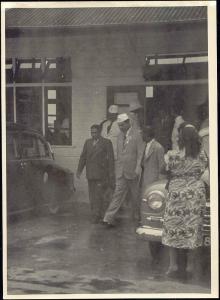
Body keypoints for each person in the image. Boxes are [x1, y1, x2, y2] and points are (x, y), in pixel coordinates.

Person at [162, 124, 209, 278]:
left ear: (181, 137)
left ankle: (172, 265)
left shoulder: (172, 154)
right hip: (194, 193)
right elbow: (204, 170)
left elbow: (165, 170)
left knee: (173, 228)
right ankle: (189, 266)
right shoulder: (201, 154)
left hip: (176, 193)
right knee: (192, 229)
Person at [102, 113, 144, 227]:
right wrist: (117, 169)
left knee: (135, 196)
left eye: (122, 125)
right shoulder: (120, 136)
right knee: (117, 194)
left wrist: (138, 167)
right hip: (121, 171)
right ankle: (108, 218)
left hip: (133, 171)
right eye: (119, 125)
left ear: (128, 123)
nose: (120, 127)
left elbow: (140, 152)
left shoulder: (137, 135)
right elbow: (120, 154)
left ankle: (140, 218)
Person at [76, 124, 115, 224]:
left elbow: (111, 160)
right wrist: (79, 170)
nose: (93, 134)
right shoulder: (88, 142)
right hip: (90, 174)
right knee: (92, 196)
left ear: (100, 132)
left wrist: (111, 174)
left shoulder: (106, 143)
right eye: (92, 132)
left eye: (95, 132)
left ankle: (98, 215)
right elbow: (83, 157)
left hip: (101, 175)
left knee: (99, 195)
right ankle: (95, 214)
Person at [140, 126, 165, 195]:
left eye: (142, 134)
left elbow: (162, 166)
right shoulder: (144, 145)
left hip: (154, 180)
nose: (141, 136)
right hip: (145, 179)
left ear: (147, 134)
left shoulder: (158, 147)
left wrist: (159, 183)